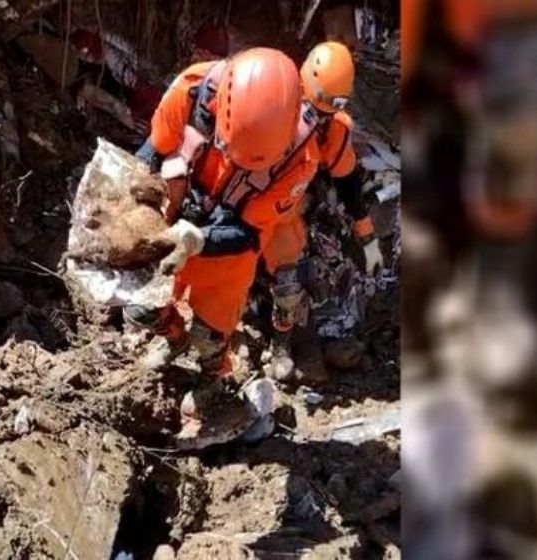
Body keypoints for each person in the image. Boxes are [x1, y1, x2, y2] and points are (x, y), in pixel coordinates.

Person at [126, 47, 317, 444]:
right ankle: (174, 340)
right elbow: (154, 149)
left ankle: (213, 376)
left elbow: (249, 232)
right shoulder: (193, 89)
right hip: (171, 223)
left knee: (211, 337)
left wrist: (197, 239)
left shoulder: (300, 160)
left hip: (229, 249)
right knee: (141, 310)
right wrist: (133, 195)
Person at [262, 41, 383, 380]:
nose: (314, 119)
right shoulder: (268, 101)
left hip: (287, 210)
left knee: (290, 278)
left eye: (324, 112)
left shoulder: (334, 128)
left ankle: (281, 343)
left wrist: (367, 235)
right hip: (247, 198)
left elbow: (348, 184)